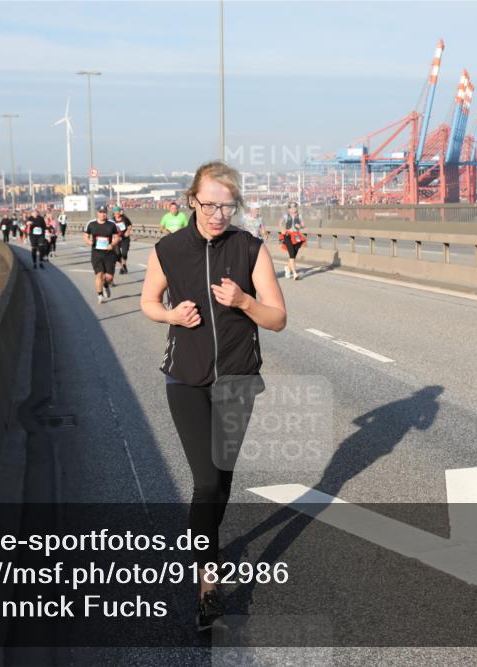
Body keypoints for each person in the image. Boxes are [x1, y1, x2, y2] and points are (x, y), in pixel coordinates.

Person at [140, 161, 286, 631]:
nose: (218, 214)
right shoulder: (168, 250)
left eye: (227, 205)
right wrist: (171, 316)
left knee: (221, 482)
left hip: (238, 380)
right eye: (210, 204)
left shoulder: (250, 249)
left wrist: (244, 301)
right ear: (192, 201)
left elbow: (278, 318)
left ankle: (206, 545)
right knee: (205, 481)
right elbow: (147, 302)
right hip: (185, 379)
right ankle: (208, 583)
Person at [84, 205, 120, 304]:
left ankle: (105, 285)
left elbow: (117, 237)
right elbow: (85, 237)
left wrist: (112, 244)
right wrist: (90, 242)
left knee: (109, 277)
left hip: (109, 253)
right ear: (97, 213)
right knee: (99, 274)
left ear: (106, 213)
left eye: (104, 212)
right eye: (100, 212)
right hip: (96, 253)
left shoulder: (112, 224)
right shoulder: (91, 224)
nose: (102, 214)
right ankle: (99, 295)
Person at [278, 202, 306, 280]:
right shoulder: (285, 216)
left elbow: (303, 225)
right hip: (288, 236)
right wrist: (282, 229)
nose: (293, 209)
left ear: (297, 208)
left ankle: (287, 268)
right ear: (289, 209)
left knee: (293, 256)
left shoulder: (299, 216)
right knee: (291, 254)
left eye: (295, 207)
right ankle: (295, 274)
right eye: (291, 207)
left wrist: (300, 226)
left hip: (297, 236)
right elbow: (280, 222)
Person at [112, 206, 133, 274]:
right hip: (116, 239)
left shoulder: (125, 219)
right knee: (118, 254)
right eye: (115, 212)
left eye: (117, 212)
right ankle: (122, 267)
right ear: (113, 213)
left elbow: (129, 226)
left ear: (120, 212)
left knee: (124, 253)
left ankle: (124, 264)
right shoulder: (112, 220)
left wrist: (127, 232)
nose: (116, 213)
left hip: (124, 238)